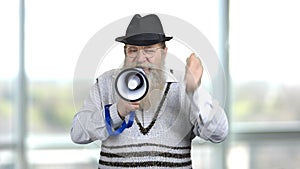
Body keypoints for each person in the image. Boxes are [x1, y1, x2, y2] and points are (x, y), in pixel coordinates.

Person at [71, 14, 228, 169]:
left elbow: (218, 133)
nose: (140, 59)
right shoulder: (106, 83)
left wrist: (195, 91)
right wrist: (117, 112)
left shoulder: (184, 83)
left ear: (164, 52)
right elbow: (77, 133)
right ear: (125, 53)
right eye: (133, 50)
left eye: (149, 50)